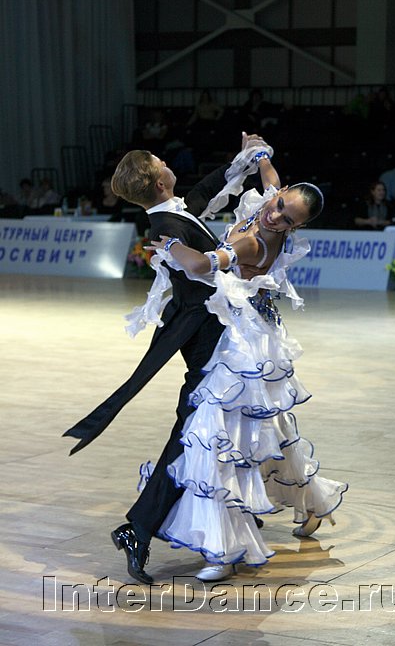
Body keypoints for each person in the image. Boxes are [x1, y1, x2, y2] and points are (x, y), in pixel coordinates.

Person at [63, 134, 274, 584]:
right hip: (206, 340)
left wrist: (245, 158)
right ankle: (141, 527)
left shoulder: (171, 213)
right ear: (159, 181)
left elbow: (206, 191)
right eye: (161, 161)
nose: (167, 160)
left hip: (216, 334)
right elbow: (201, 267)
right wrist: (235, 255)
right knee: (194, 436)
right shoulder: (165, 228)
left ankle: (227, 513)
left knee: (214, 431)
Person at [142, 156, 348, 581]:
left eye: (286, 219)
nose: (274, 215)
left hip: (241, 344)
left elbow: (200, 266)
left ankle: (225, 547)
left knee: (220, 440)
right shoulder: (270, 200)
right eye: (279, 204)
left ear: (296, 227)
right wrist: (260, 155)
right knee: (267, 431)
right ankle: (313, 502)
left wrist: (170, 245)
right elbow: (270, 179)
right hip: (239, 332)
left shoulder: (254, 244)